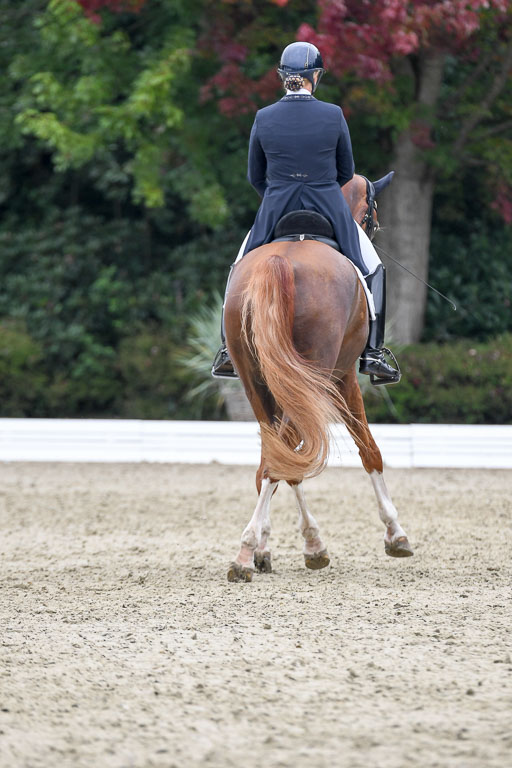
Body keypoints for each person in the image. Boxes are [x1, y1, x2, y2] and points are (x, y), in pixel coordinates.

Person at [212, 41, 400, 384]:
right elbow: (346, 171)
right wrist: (321, 188)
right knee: (373, 267)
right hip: (327, 204)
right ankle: (374, 353)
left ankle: (227, 349)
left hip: (276, 206)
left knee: (239, 266)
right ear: (315, 76)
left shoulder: (263, 117)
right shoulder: (333, 114)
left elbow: (255, 175)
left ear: (283, 76)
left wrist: (276, 196)